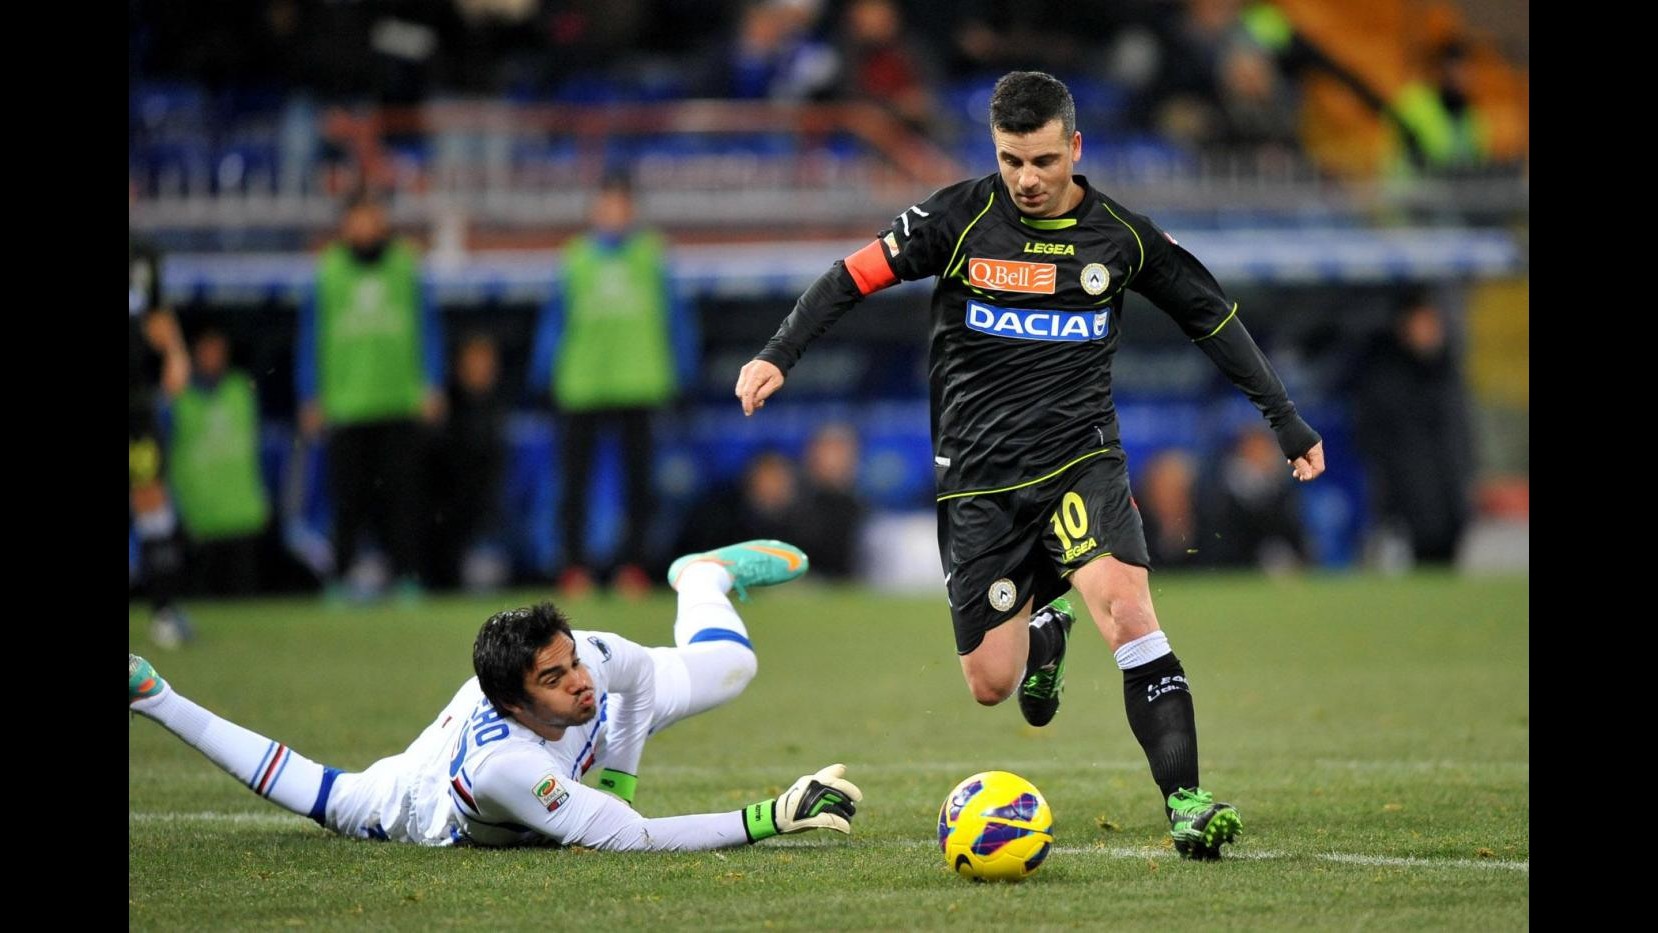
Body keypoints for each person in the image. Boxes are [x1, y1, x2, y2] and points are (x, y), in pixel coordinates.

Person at [734, 71, 1325, 859]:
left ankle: (1187, 800)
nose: (1027, 179)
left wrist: (1283, 419)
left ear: (1075, 148)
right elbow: (852, 276)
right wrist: (779, 353)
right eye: (1012, 160)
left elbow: (1211, 316)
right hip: (979, 479)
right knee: (991, 682)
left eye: (1043, 160)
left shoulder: (1121, 236)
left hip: (1081, 459)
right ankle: (1047, 625)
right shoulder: (955, 218)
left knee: (1128, 609)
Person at [128, 539, 863, 850]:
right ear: (513, 701)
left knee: (733, 667)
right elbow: (630, 840)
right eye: (555, 677)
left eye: (572, 660)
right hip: (414, 796)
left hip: (568, 743)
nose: (580, 679)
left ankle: (698, 577)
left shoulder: (587, 665)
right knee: (328, 800)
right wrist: (774, 815)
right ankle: (150, 690)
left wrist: (618, 774)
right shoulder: (502, 766)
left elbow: (631, 680)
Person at [528, 168, 697, 597]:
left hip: (638, 382)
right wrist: (543, 372)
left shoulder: (651, 257)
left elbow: (675, 318)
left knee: (639, 486)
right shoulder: (576, 258)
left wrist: (682, 371)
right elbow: (556, 319)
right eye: (607, 206)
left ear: (631, 210)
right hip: (582, 385)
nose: (614, 214)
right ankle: (573, 569)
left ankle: (634, 569)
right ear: (595, 210)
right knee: (574, 486)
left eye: (621, 206)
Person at [296, 189, 445, 601]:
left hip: (399, 400)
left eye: (371, 217)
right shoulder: (327, 272)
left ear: (382, 220)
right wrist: (311, 393)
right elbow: (312, 338)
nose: (364, 226)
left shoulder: (405, 267)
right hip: (346, 404)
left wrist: (431, 381)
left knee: (405, 500)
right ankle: (341, 578)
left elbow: (428, 328)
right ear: (346, 223)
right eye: (357, 218)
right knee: (346, 501)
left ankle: (408, 579)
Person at [1352, 290, 1474, 566]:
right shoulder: (1386, 380)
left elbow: (1459, 436)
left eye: (1432, 324)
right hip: (1405, 507)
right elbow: (1371, 441)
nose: (1429, 332)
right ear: (1404, 328)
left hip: (1450, 501)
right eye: (1421, 324)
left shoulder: (1447, 375)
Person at [166, 326, 273, 596]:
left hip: (242, 513)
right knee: (201, 598)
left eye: (219, 350)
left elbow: (255, 449)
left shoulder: (241, 389)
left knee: (244, 599)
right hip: (198, 516)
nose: (214, 356)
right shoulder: (176, 398)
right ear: (194, 352)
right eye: (207, 349)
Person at [129, 229, 194, 647]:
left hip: (134, 403)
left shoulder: (143, 254)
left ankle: (165, 613)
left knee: (151, 502)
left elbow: (155, 315)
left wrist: (175, 353)